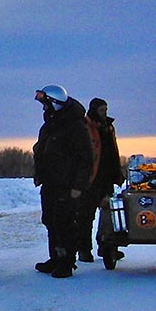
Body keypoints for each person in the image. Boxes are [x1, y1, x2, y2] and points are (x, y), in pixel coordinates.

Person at [32, 84, 93, 278]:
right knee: (50, 220)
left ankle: (67, 261)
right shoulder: (50, 124)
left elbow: (86, 158)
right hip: (50, 182)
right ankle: (55, 258)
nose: (43, 108)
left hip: (67, 184)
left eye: (46, 103)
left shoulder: (74, 126)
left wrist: (78, 186)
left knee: (64, 222)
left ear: (55, 103)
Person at [80, 98, 124, 263]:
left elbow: (113, 151)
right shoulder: (86, 126)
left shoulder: (109, 127)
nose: (105, 113)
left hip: (106, 177)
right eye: (101, 110)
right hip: (90, 178)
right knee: (86, 215)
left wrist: (117, 173)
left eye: (106, 110)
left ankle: (107, 246)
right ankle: (84, 249)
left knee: (108, 214)